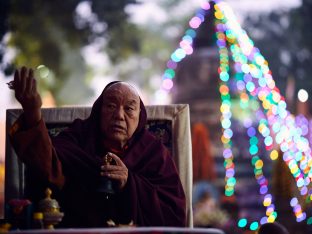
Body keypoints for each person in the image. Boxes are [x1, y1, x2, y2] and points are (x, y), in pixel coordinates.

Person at [8, 66, 186, 228]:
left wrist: (129, 183)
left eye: (129, 109)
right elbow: (47, 167)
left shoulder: (153, 153)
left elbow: (174, 214)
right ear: (99, 111)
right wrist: (32, 112)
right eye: (111, 106)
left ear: (140, 116)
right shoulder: (78, 137)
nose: (119, 115)